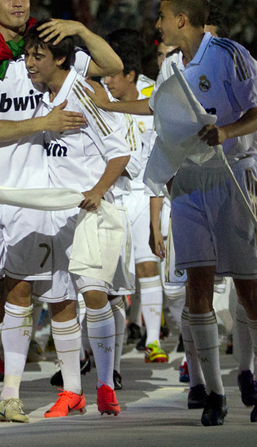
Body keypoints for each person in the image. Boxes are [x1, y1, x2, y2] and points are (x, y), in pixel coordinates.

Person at [0, 0, 120, 423]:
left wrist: (81, 30)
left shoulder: (44, 45)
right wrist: (42, 124)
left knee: (22, 289)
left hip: (34, 194)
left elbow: (111, 67)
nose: (18, 3)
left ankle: (11, 393)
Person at [85, 0, 257, 426]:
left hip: (232, 175)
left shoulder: (229, 54)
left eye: (162, 16)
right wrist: (113, 104)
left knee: (249, 288)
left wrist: (228, 130)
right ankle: (214, 393)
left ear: (182, 19)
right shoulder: (172, 67)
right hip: (188, 182)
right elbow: (158, 108)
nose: (156, 24)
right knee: (196, 285)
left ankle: (250, 375)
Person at [24, 19, 129, 417]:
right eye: (27, 55)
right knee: (60, 302)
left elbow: (120, 152)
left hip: (92, 209)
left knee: (94, 295)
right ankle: (72, 392)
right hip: (54, 212)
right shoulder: (34, 95)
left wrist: (98, 191)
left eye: (39, 56)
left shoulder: (84, 91)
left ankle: (105, 385)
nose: (30, 64)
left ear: (62, 58)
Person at [103, 29, 168, 363]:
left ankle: (153, 340)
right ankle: (104, 347)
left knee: (147, 266)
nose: (106, 77)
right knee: (113, 276)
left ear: (129, 71)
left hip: (144, 193)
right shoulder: (99, 92)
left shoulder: (152, 92)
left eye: (112, 70)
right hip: (113, 195)